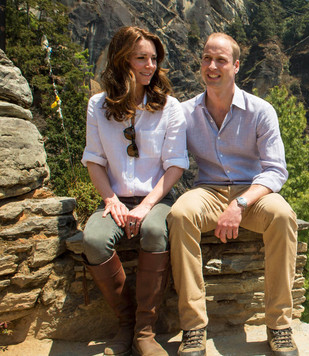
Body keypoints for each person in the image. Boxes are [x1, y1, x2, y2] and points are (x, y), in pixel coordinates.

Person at [167, 33, 299, 356]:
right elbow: (168, 159)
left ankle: (279, 325)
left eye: (221, 60)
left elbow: (275, 170)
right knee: (180, 216)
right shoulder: (184, 113)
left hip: (252, 193)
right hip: (208, 191)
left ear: (236, 66)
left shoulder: (260, 111)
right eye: (207, 59)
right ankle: (194, 327)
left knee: (283, 216)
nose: (212, 66)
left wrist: (240, 204)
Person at [81, 26, 188, 356]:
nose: (150, 65)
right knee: (94, 240)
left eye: (153, 58)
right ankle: (126, 324)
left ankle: (145, 331)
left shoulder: (169, 107)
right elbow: (94, 161)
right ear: (121, 59)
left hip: (156, 198)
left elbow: (175, 165)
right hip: (115, 198)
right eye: (141, 58)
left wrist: (145, 206)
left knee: (156, 231)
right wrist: (110, 199)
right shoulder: (98, 106)